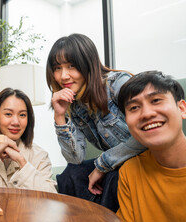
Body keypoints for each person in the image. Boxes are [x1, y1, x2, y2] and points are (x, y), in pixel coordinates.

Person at [46, 33, 145, 211]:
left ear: (88, 64)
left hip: (145, 156)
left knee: (116, 178)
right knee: (71, 174)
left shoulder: (118, 85)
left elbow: (144, 135)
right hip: (117, 162)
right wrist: (60, 117)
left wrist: (102, 166)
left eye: (72, 66)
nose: (63, 76)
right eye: (57, 68)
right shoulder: (74, 104)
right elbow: (75, 158)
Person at [116, 71, 186, 222]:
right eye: (134, 108)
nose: (147, 114)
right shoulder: (130, 172)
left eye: (156, 101)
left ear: (182, 108)